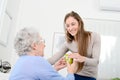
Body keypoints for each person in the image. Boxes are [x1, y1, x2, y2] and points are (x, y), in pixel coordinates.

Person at [48, 11, 101, 80]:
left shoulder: (94, 36)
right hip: (75, 76)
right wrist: (37, 63)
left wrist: (82, 58)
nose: (70, 28)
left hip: (90, 77)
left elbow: (96, 61)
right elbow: (53, 59)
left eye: (73, 24)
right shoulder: (68, 43)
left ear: (79, 23)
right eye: (68, 26)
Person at [9, 27, 75, 80]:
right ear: (34, 45)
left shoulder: (21, 61)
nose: (44, 45)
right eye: (42, 41)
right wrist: (70, 71)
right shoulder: (37, 61)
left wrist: (54, 68)